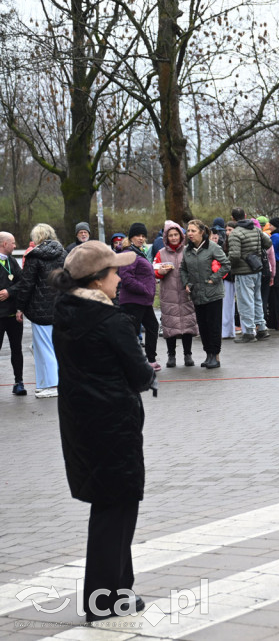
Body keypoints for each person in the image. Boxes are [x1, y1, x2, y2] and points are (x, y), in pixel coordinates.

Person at [50, 241, 154, 623]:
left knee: (111, 506)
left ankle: (119, 590)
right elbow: (141, 375)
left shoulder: (66, 313)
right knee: (117, 509)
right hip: (114, 425)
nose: (120, 277)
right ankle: (103, 599)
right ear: (96, 280)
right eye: (114, 272)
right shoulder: (111, 321)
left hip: (81, 425)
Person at [13, 223, 65, 398]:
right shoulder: (63, 253)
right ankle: (44, 383)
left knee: (44, 348)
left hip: (40, 309)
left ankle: (51, 384)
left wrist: (20, 306)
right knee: (54, 347)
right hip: (60, 307)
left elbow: (27, 284)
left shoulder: (34, 256)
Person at [181, 219, 230, 368]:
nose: (190, 234)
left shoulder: (213, 248)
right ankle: (208, 354)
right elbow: (182, 269)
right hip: (197, 294)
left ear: (202, 232)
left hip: (213, 293)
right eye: (188, 231)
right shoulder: (186, 250)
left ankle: (215, 355)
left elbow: (226, 264)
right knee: (203, 326)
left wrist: (213, 279)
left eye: (193, 231)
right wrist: (186, 283)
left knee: (213, 325)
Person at [153, 221, 199, 367]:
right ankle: (171, 355)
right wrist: (160, 272)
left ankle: (188, 355)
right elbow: (154, 271)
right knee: (170, 326)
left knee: (187, 326)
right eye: (170, 235)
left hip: (186, 294)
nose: (173, 238)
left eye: (176, 235)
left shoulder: (188, 251)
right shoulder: (160, 253)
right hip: (169, 295)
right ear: (166, 237)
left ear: (181, 236)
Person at [118, 223, 161, 370]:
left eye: (143, 236)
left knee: (152, 327)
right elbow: (126, 278)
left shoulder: (138, 252)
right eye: (138, 236)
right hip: (133, 301)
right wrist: (145, 289)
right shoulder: (128, 254)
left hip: (143, 301)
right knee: (132, 332)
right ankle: (131, 362)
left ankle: (150, 359)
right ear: (131, 238)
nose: (141, 238)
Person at [227, 207, 272, 343]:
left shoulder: (235, 233)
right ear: (245, 216)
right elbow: (268, 243)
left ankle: (248, 332)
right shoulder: (256, 229)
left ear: (233, 218)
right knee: (257, 299)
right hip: (257, 269)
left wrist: (228, 265)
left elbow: (234, 256)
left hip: (243, 272)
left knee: (245, 302)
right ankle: (262, 328)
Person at [0, 231, 26, 395]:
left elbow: (23, 282)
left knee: (17, 349)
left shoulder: (12, 262)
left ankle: (19, 382)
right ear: (4, 244)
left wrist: (9, 292)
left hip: (13, 315)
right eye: (13, 243)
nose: (15, 246)